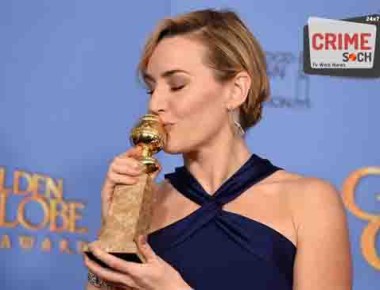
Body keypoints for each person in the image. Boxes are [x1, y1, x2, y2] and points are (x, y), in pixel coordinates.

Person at [84, 8, 352, 290]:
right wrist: (114, 229)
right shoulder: (148, 204)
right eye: (152, 89)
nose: (155, 105)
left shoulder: (309, 201)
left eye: (177, 85)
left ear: (236, 90)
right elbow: (97, 285)